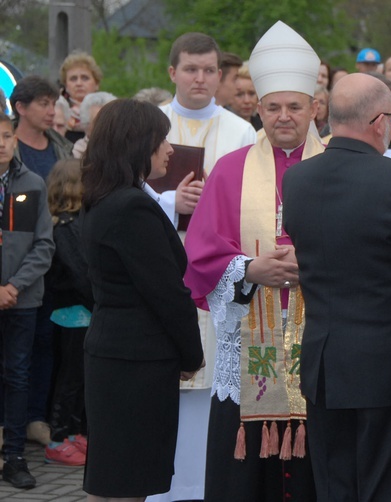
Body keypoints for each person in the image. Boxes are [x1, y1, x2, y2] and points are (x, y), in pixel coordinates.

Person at [183, 21, 323, 501]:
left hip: (320, 334)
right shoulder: (230, 170)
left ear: (314, 108)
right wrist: (248, 270)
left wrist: (316, 263)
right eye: (273, 107)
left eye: (294, 106)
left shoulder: (337, 168)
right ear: (258, 108)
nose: (283, 116)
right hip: (251, 335)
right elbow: (200, 253)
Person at [283, 71, 391, 501]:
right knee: (389, 487)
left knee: (335, 487)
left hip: (325, 364)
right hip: (388, 365)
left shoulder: (296, 178)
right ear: (379, 121)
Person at [80, 99, 204, 500]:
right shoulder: (132, 206)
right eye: (161, 140)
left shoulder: (104, 197)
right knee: (129, 480)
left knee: (112, 475)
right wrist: (191, 355)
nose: (170, 149)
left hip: (114, 353)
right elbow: (167, 293)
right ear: (138, 144)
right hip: (138, 360)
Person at [153, 31, 256, 502]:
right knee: (163, 383)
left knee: (211, 378)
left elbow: (251, 202)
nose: (200, 78)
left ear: (221, 75)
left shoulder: (240, 130)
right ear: (172, 72)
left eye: (210, 70)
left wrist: (213, 201)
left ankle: (200, 487)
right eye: (191, 69)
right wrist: (172, 201)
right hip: (158, 264)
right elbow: (123, 191)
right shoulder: (151, 123)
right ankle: (161, 488)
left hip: (214, 273)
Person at [9, 75, 72, 448]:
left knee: (47, 340)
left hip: (57, 258)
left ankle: (36, 417)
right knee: (16, 346)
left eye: (54, 104)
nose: (52, 111)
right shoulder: (7, 147)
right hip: (17, 258)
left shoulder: (61, 147)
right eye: (44, 104)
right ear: (21, 107)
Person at [0, 112, 54, 489]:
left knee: (18, 375)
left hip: (22, 299)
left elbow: (44, 244)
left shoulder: (32, 183)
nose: (2, 143)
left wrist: (13, 285)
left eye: (6, 136)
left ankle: (14, 455)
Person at [43, 158, 93, 467]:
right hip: (73, 312)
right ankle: (57, 439)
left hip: (80, 310)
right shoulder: (66, 226)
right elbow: (78, 272)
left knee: (81, 376)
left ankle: (76, 432)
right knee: (70, 378)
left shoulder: (75, 222)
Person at [58, 52, 103, 143]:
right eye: (73, 79)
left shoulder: (108, 110)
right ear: (66, 85)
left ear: (96, 83)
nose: (79, 83)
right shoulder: (57, 112)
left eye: (85, 78)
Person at [72, 91, 117, 159]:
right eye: (99, 121)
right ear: (86, 124)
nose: (106, 126)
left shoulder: (129, 146)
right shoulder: (78, 153)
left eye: (110, 120)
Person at [232, 63, 262, 131]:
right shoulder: (219, 127)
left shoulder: (264, 125)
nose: (247, 101)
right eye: (239, 94)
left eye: (251, 94)